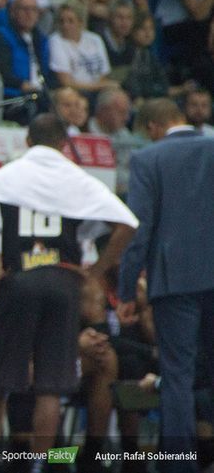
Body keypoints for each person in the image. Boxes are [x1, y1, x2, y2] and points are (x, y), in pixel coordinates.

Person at [0, 113, 137, 473]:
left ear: (27, 141)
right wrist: (93, 274)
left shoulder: (9, 173)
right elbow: (127, 224)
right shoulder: (77, 177)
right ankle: (40, 466)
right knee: (50, 387)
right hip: (63, 282)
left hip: (20, 281)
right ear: (64, 143)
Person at [118, 97, 214, 473]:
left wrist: (127, 290)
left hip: (175, 281)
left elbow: (139, 229)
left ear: (153, 127)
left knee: (177, 376)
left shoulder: (149, 159)